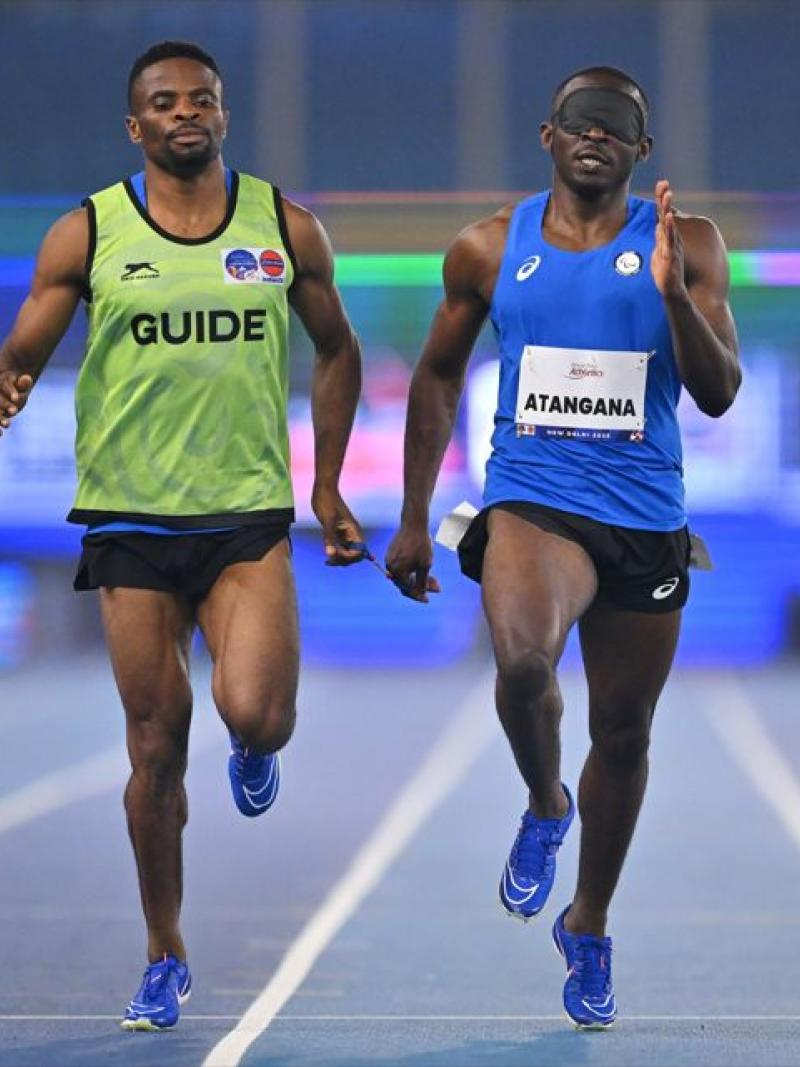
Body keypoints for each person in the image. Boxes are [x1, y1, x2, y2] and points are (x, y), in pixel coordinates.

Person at [0, 40, 365, 1031]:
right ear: (136, 125)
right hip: (128, 514)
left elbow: (336, 348)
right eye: (163, 103)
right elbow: (24, 347)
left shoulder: (283, 225)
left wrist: (326, 484)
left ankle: (255, 745)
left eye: (200, 98)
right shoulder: (89, 232)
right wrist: (12, 379)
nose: (183, 113)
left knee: (256, 714)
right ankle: (164, 950)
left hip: (245, 513)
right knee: (155, 744)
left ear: (223, 113)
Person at [386, 66, 740, 1029]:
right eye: (579, 124)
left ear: (643, 151)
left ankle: (588, 921)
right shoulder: (489, 248)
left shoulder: (689, 245)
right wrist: (418, 514)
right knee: (523, 664)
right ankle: (546, 800)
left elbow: (717, 392)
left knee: (623, 734)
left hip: (643, 515)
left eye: (617, 127)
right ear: (548, 136)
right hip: (533, 500)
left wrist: (671, 296)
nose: (596, 137)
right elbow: (437, 374)